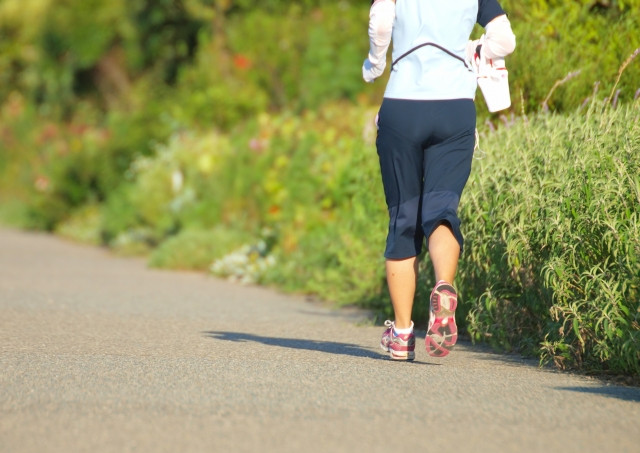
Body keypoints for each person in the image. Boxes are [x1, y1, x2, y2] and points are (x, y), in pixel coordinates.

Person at [363, 0, 516, 360]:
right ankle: (444, 287)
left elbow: (381, 24)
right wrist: (471, 50)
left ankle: (401, 335)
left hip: (404, 102)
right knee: (442, 208)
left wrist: (375, 63)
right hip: (455, 107)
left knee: (404, 217)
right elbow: (504, 40)